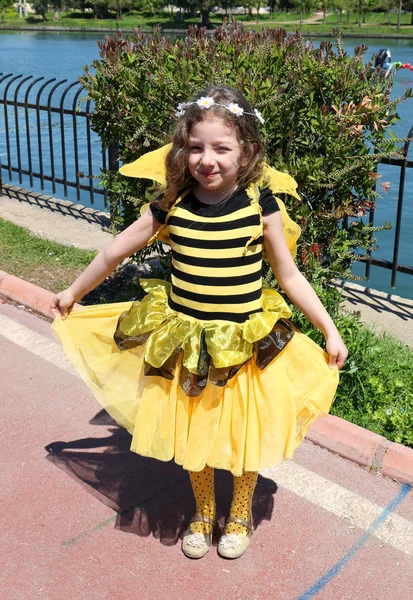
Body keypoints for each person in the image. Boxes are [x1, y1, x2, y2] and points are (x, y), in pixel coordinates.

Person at [51, 86, 347, 560]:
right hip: (189, 345)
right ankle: (204, 509)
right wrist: (74, 292)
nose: (207, 159)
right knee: (193, 431)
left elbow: (290, 275)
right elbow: (113, 251)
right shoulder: (172, 204)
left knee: (244, 432)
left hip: (243, 344)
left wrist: (329, 329)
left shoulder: (259, 205)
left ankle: (241, 511)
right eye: (195, 147)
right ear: (181, 149)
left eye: (221, 147)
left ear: (247, 150)